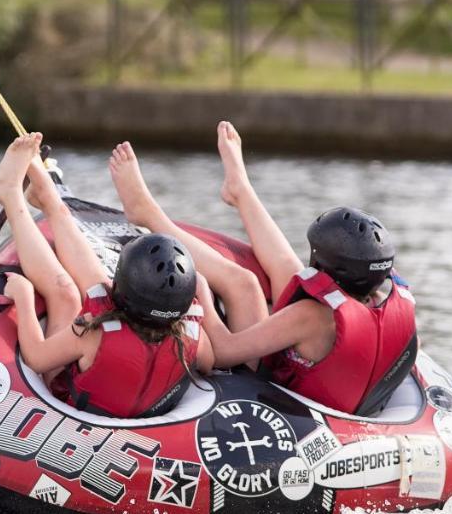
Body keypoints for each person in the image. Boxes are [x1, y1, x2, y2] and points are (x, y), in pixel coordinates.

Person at [110, 122, 418, 416]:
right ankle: (240, 190)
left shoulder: (311, 316)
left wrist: (202, 295)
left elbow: (224, 351)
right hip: (337, 388)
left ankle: (149, 215)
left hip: (283, 394)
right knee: (285, 268)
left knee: (241, 283)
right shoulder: (380, 297)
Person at [0, 133, 214, 418]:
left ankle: (11, 195)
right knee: (85, 288)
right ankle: (50, 199)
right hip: (140, 410)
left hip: (75, 412)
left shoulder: (91, 333)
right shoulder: (192, 336)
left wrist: (23, 296)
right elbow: (209, 362)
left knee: (65, 292)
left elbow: (36, 357)